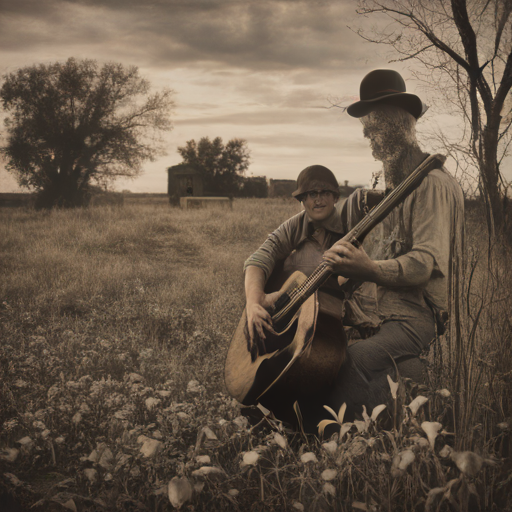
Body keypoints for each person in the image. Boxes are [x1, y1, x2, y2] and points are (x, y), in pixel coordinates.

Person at [243, 69, 464, 432]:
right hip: (380, 316)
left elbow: (425, 263)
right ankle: (284, 420)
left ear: (396, 124)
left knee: (348, 361)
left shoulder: (432, 185)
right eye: (367, 129)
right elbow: (275, 249)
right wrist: (266, 297)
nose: (369, 136)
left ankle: (317, 436)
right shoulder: (382, 194)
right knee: (313, 352)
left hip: (414, 320)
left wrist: (370, 269)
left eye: (375, 127)